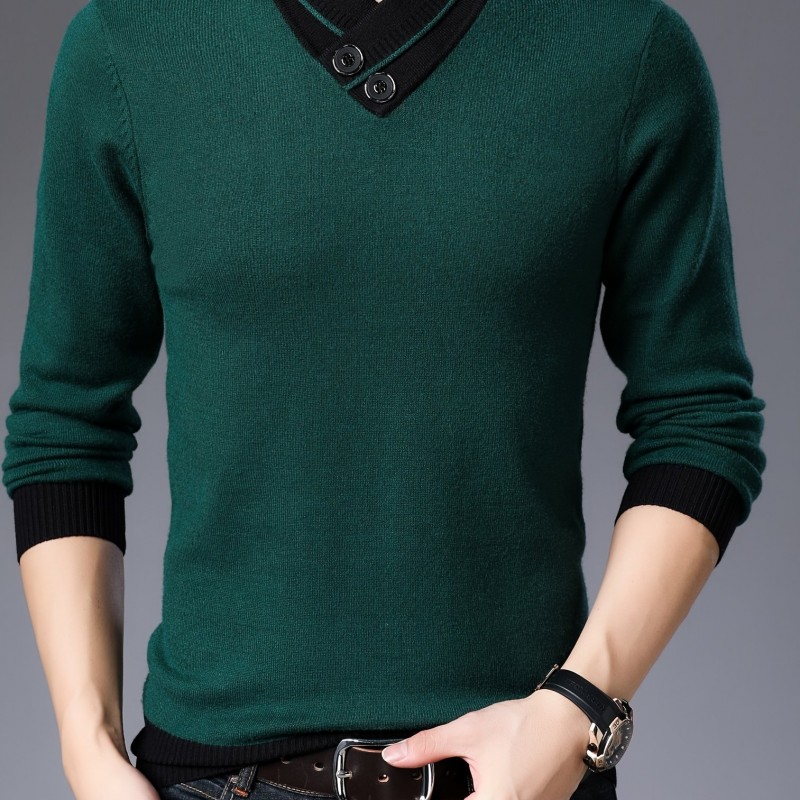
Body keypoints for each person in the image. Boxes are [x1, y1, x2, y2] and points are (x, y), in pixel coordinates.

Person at [2, 0, 766, 799]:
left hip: (518, 777)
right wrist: (88, 749)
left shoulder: (625, 49)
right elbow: (67, 421)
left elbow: (699, 419)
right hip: (209, 775)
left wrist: (578, 708)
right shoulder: (131, 43)